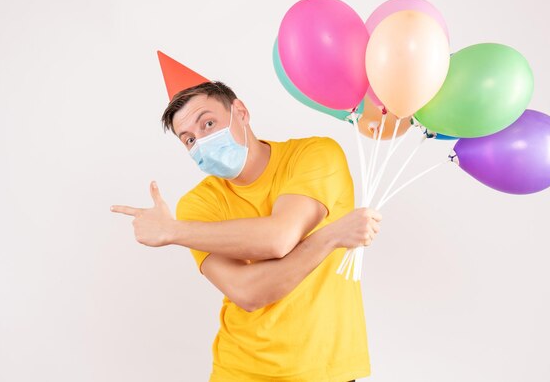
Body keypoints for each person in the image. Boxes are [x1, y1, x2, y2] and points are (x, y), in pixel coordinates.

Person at [111, 81, 381, 381]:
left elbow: (278, 238)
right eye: (188, 140)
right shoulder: (198, 205)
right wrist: (330, 237)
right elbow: (249, 293)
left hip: (326, 369)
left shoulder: (315, 155)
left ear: (240, 111)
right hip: (239, 370)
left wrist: (174, 231)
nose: (201, 142)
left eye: (208, 123)